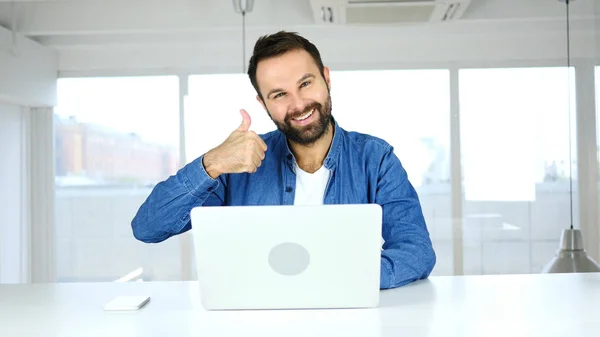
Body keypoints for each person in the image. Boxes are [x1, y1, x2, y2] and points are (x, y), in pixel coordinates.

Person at [131, 31, 436, 289]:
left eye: (305, 83)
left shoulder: (376, 158)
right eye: (279, 94)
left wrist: (332, 279)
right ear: (263, 104)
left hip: (348, 320)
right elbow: (148, 228)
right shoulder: (236, 165)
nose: (299, 104)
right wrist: (211, 164)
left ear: (326, 78)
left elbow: (416, 251)